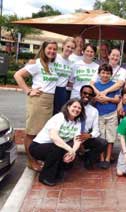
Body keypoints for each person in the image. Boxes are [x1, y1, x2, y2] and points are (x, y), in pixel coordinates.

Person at [14, 40, 58, 171]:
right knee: (31, 133)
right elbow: (17, 75)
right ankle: (31, 161)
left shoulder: (52, 64)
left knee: (40, 133)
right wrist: (28, 90)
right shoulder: (37, 64)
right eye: (49, 48)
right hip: (38, 100)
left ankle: (36, 159)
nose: (52, 51)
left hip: (49, 101)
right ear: (43, 49)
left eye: (55, 49)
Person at [29, 98, 85, 186]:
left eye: (79, 108)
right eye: (74, 106)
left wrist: (73, 151)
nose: (76, 109)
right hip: (38, 147)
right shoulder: (59, 117)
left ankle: (58, 171)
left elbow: (77, 139)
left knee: (67, 150)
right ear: (68, 107)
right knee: (58, 148)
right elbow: (54, 136)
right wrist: (70, 149)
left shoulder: (77, 122)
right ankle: (45, 177)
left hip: (55, 146)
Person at [94, 64, 120, 169]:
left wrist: (107, 99)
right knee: (101, 137)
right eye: (103, 73)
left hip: (111, 114)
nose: (105, 75)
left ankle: (107, 159)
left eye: (108, 73)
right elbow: (93, 98)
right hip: (99, 114)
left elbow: (117, 99)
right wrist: (99, 98)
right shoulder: (95, 85)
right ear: (99, 74)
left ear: (111, 74)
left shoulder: (114, 85)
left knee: (111, 137)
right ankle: (101, 158)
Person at [79, 85, 108, 169]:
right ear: (80, 93)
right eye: (85, 93)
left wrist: (89, 135)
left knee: (102, 143)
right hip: (72, 137)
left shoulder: (94, 111)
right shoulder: (73, 106)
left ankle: (88, 160)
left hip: (85, 137)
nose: (87, 96)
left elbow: (96, 130)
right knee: (67, 166)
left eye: (90, 94)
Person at [53, 38, 76, 114]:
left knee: (59, 114)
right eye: (68, 46)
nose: (70, 49)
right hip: (51, 89)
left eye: (72, 48)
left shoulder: (71, 64)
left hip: (62, 91)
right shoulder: (54, 57)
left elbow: (69, 81)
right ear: (63, 45)